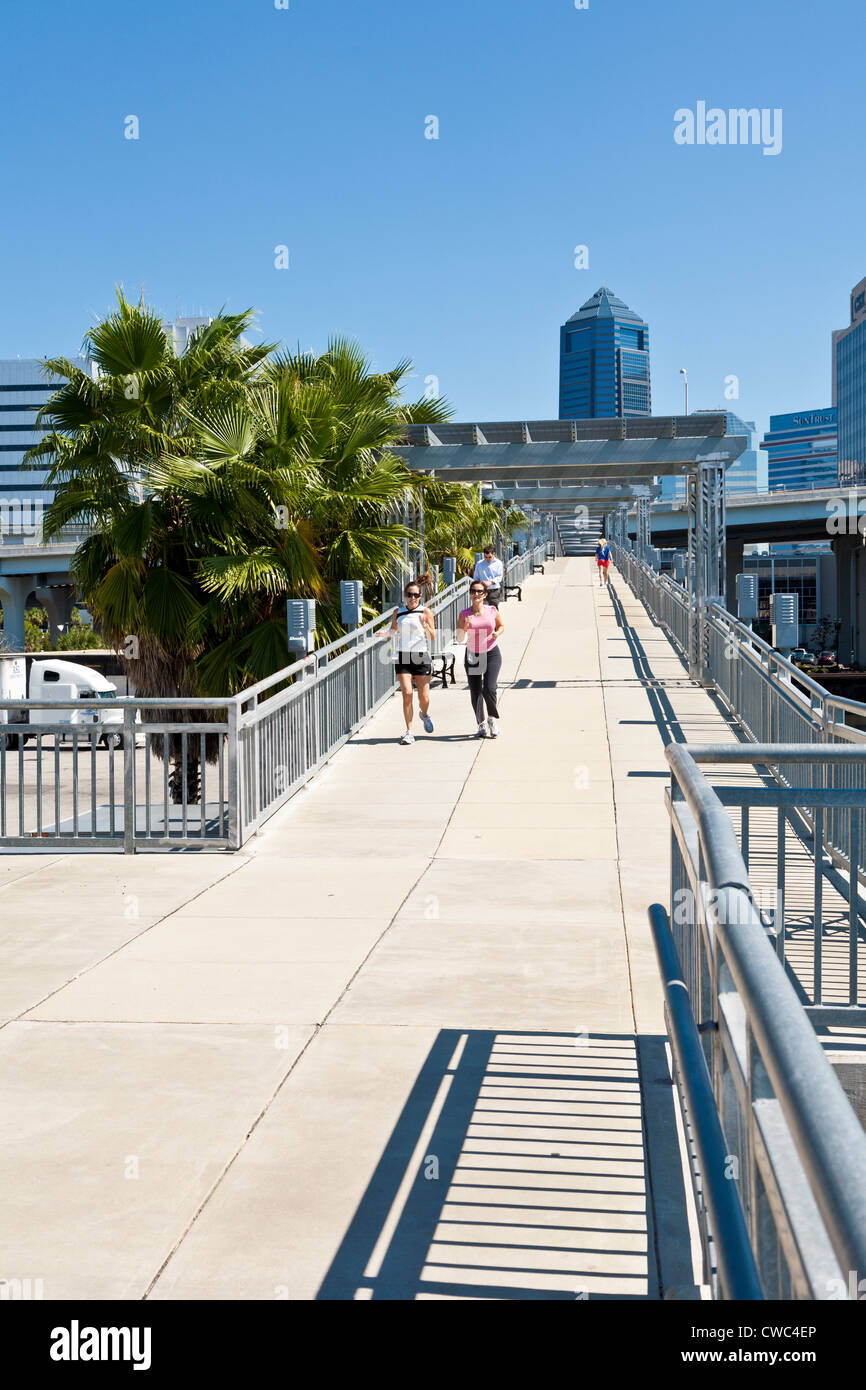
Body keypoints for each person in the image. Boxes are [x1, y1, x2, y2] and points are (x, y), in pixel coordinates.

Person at [390, 580, 435, 745]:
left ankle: (424, 714)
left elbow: (433, 635)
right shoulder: (398, 612)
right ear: (405, 595)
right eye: (409, 595)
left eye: (416, 595)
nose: (412, 598)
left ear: (420, 596)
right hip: (403, 656)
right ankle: (409, 732)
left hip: (421, 656)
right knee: (407, 693)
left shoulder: (425, 611)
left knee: (424, 698)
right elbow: (394, 630)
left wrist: (425, 627)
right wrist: (383, 634)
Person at [457, 579, 504, 738]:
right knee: (476, 691)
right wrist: (464, 627)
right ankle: (481, 724)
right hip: (473, 655)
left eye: (479, 591)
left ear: (484, 594)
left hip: (491, 652)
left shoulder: (492, 610)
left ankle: (491, 719)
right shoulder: (464, 614)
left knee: (489, 688)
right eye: (473, 591)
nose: (476, 594)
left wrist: (497, 633)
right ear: (470, 594)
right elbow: (459, 638)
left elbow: (501, 625)